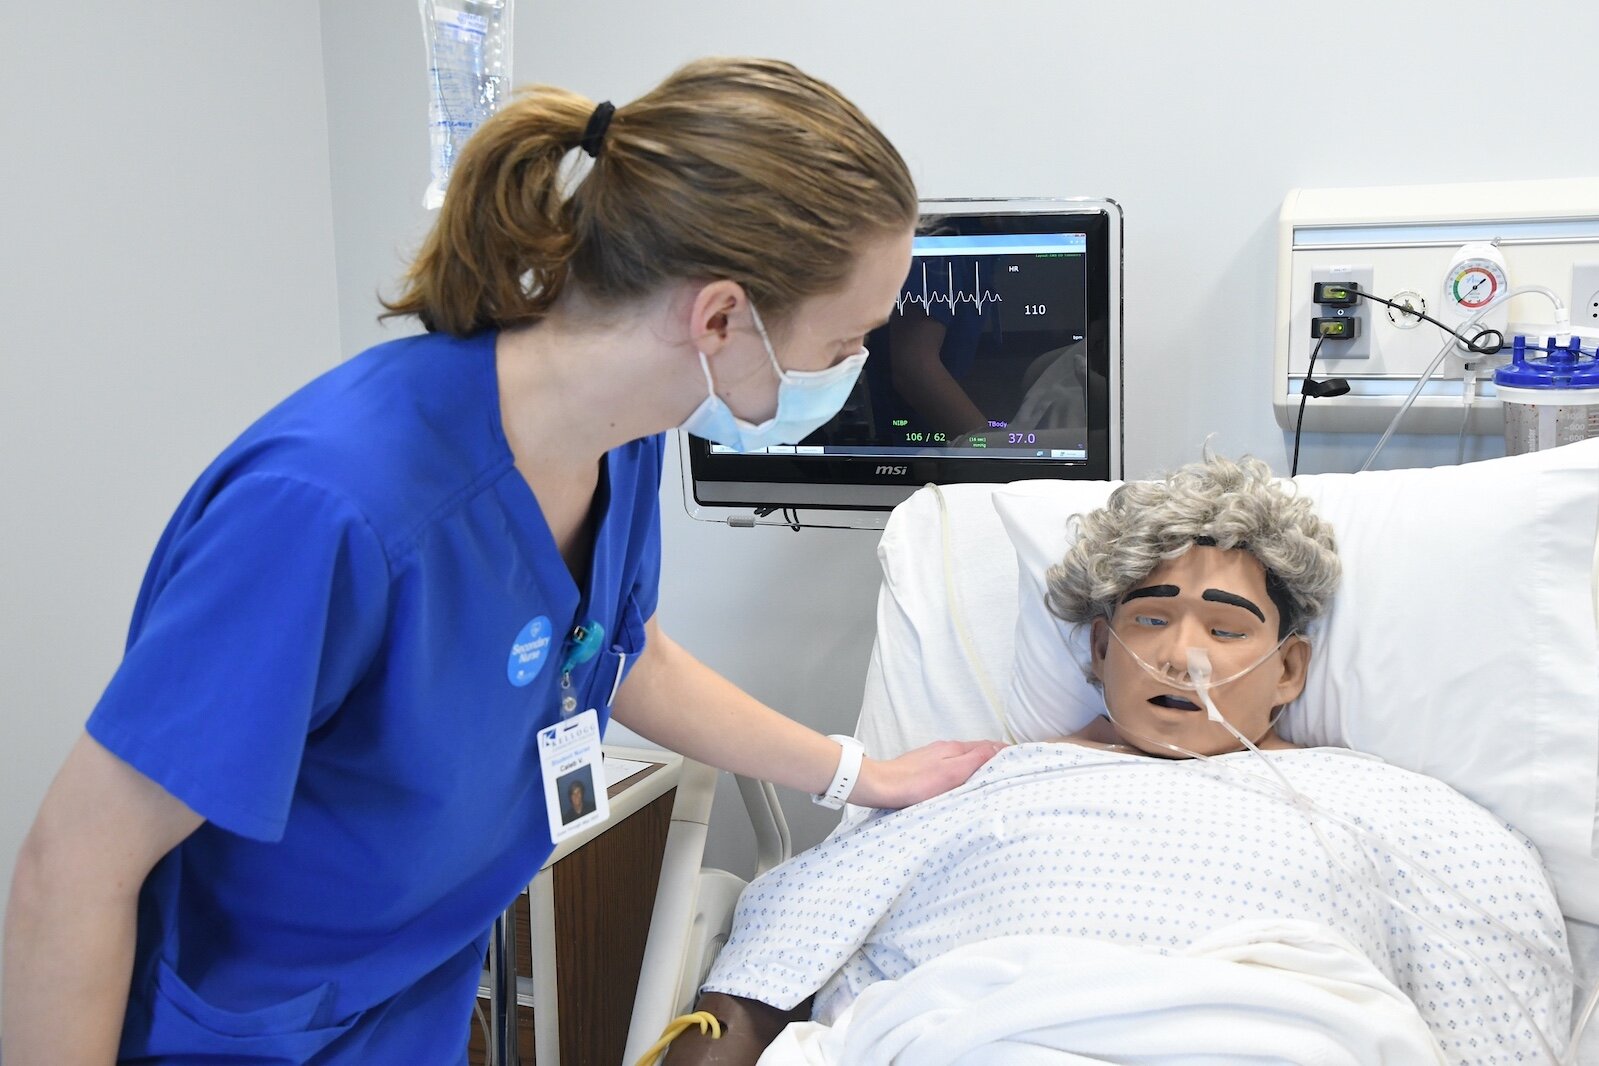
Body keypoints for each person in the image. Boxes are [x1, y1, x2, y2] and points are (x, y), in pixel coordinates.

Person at [0, 58, 1005, 1065]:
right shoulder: (332, 510)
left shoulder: (625, 432)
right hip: (249, 1027)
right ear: (719, 318)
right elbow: (71, 873)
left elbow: (616, 648)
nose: (859, 366)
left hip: (408, 995)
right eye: (851, 339)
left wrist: (855, 772)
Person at [665, 456, 1571, 1064]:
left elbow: (1497, 1004)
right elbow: (775, 955)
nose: (1183, 658)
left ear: (1289, 668)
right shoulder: (973, 782)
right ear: (1098, 650)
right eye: (1148, 619)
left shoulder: (1395, 807)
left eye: (1226, 628)